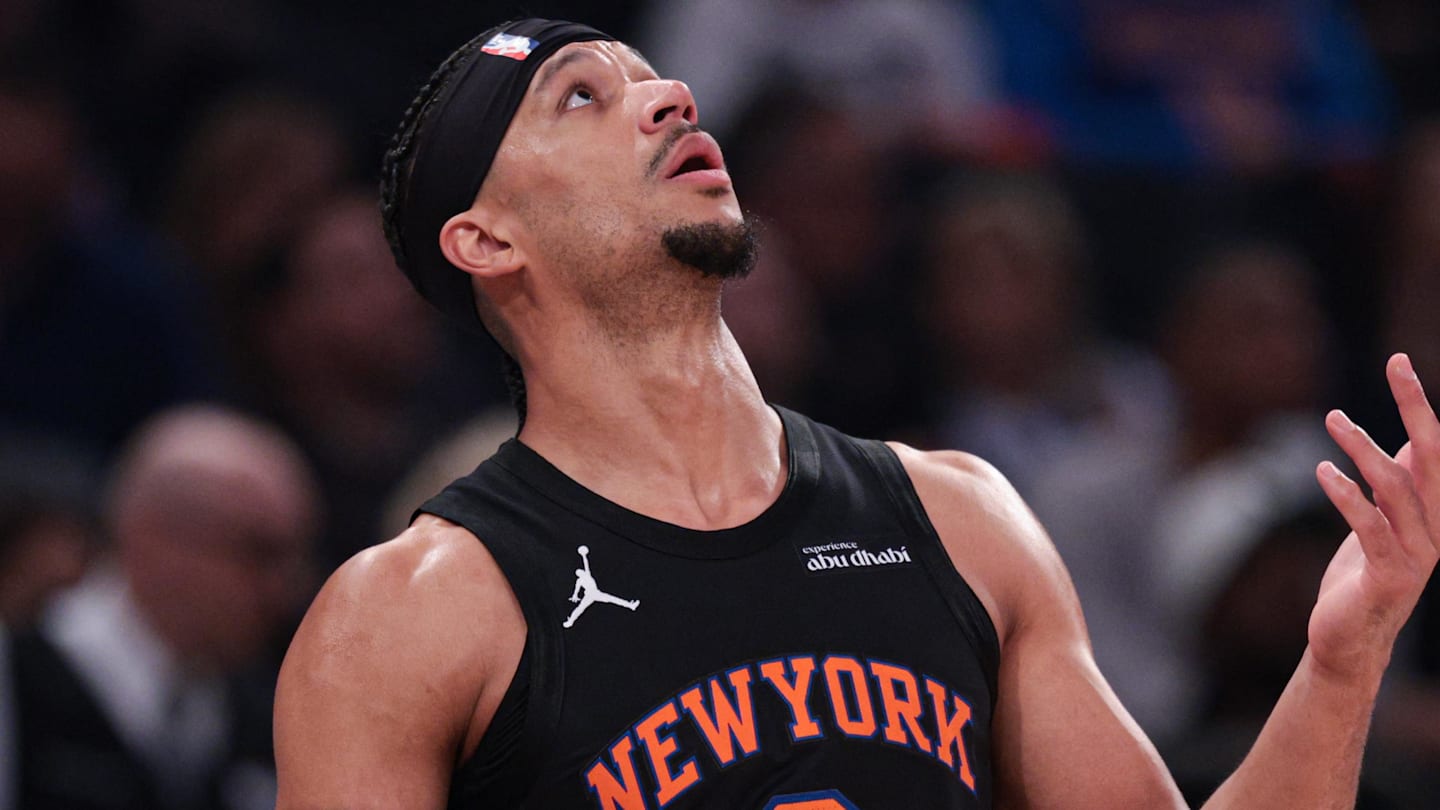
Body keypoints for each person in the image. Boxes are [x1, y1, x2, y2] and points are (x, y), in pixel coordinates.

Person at [274, 18, 1440, 809]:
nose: (668, 94)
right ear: (487, 240)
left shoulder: (958, 516)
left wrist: (1341, 663)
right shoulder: (408, 619)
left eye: (649, 76)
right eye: (582, 97)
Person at [13, 405, 319, 810]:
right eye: (257, 552)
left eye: (294, 560)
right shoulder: (14, 682)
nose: (285, 590)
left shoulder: (265, 718)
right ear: (152, 536)